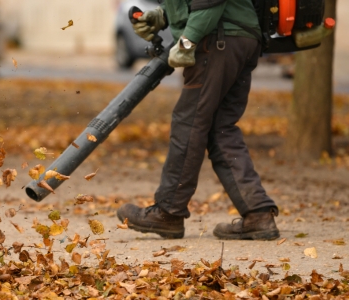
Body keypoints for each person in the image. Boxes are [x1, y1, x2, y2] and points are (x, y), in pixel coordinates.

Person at [116, 0, 280, 240]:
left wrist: (187, 40)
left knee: (189, 123)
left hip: (216, 40)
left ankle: (168, 212)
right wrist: (161, 16)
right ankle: (258, 214)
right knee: (221, 129)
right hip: (243, 38)